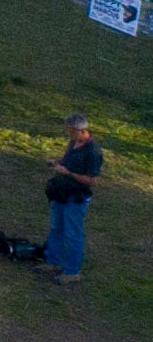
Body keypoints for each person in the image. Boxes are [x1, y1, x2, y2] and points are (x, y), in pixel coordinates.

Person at [45, 116, 101, 282]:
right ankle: (53, 261)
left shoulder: (93, 151)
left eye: (71, 131)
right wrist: (57, 162)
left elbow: (93, 181)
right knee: (56, 228)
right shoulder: (73, 143)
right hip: (61, 193)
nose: (69, 134)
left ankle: (71, 272)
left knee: (73, 234)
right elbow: (68, 161)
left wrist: (68, 173)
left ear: (82, 130)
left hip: (76, 197)